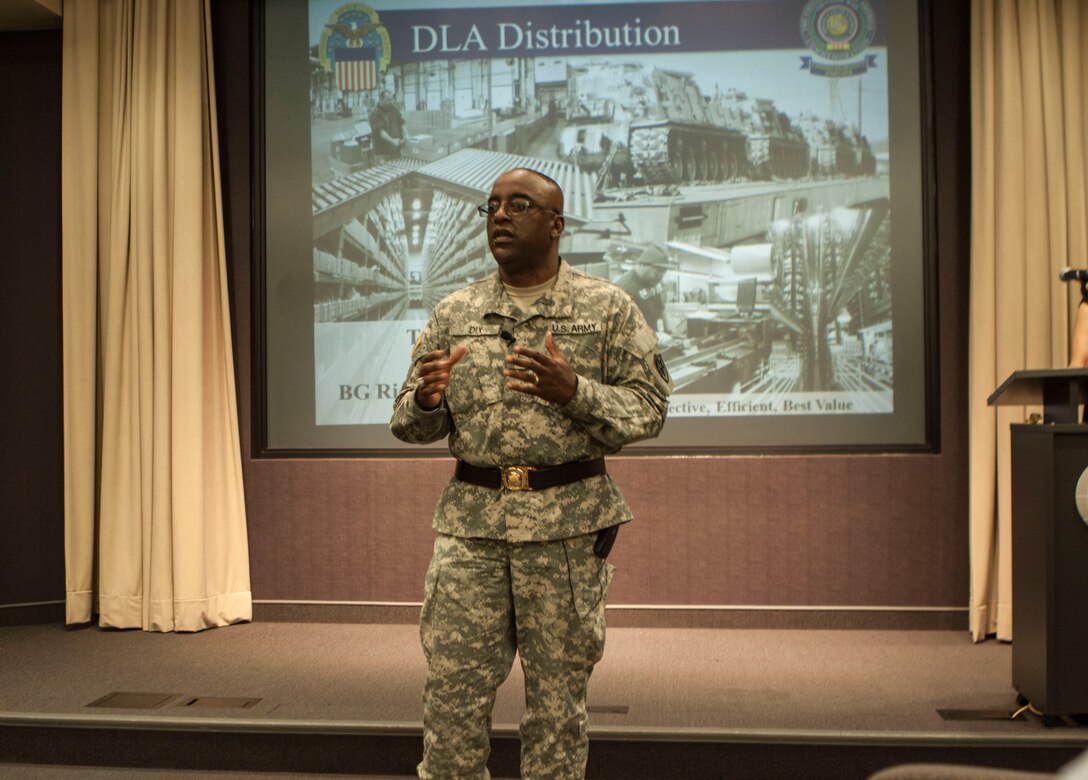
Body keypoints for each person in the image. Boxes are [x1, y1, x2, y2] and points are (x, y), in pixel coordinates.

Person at [390, 168, 671, 779]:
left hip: (566, 534)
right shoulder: (455, 311)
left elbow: (650, 410)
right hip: (472, 532)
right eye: (492, 206)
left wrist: (577, 393)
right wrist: (426, 402)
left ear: (556, 224)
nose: (500, 216)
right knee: (452, 698)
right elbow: (407, 424)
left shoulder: (606, 309)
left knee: (556, 709)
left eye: (519, 205)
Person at [616, 242, 672, 336]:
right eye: (658, 270)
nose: (660, 276)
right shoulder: (624, 288)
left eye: (664, 271)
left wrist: (669, 332)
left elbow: (661, 309)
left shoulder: (654, 282)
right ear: (643, 265)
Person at [369, 88, 406, 158]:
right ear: (381, 100)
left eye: (392, 99)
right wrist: (392, 141)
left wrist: (406, 135)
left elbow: (401, 122)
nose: (391, 102)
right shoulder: (375, 114)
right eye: (388, 100)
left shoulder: (393, 110)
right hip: (382, 154)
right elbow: (380, 131)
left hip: (396, 150)